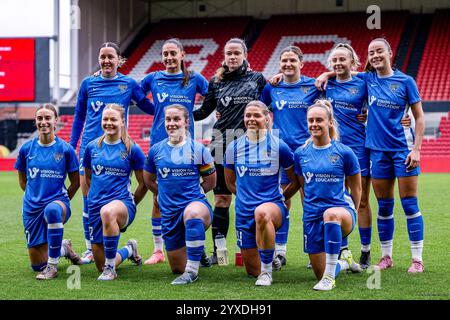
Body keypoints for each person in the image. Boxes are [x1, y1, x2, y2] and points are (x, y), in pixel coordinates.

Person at [316, 38, 425, 273]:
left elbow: (420, 116)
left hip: (403, 150)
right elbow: (342, 69)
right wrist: (326, 75)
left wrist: (416, 149)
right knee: (384, 205)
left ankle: (417, 258)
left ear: (389, 53)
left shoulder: (406, 81)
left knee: (409, 203)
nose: (375, 55)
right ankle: (386, 256)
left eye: (379, 51)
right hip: (376, 150)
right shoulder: (368, 79)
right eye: (371, 52)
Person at [70, 42, 154, 265]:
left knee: (114, 194)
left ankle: (118, 230)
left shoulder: (127, 84)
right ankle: (90, 248)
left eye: (110, 57)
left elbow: (145, 104)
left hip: (117, 148)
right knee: (88, 198)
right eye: (102, 56)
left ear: (119, 60)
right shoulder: (88, 83)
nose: (106, 61)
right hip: (90, 148)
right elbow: (79, 116)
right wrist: (72, 145)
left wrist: (166, 110)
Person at [193, 38, 266, 264]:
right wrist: (179, 113)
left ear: (245, 55)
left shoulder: (258, 79)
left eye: (236, 53)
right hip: (220, 143)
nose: (232, 57)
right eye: (228, 53)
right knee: (222, 199)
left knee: (251, 199)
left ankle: (258, 250)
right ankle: (220, 252)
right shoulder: (216, 82)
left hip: (249, 145)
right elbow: (205, 111)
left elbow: (270, 105)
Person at [140, 38, 209, 266]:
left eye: (173, 53)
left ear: (182, 55)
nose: (169, 57)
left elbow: (213, 96)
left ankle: (196, 243)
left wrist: (198, 115)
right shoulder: (153, 78)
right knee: (159, 198)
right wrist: (156, 111)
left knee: (191, 192)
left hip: (185, 144)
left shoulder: (194, 79)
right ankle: (159, 250)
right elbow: (137, 97)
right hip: (160, 143)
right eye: (165, 54)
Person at [223, 101, 299, 286]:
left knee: (262, 213)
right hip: (243, 211)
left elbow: (295, 180)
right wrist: (245, 197)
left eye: (256, 115)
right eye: (248, 115)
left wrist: (281, 198)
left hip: (272, 209)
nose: (251, 119)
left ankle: (267, 273)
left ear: (267, 118)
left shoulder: (279, 146)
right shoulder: (233, 147)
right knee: (251, 271)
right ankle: (267, 258)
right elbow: (230, 183)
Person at [260, 45, 321, 268]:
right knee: (282, 201)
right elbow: (259, 108)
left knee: (310, 202)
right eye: (284, 60)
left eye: (292, 61)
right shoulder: (272, 88)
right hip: (282, 153)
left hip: (307, 153)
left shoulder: (313, 85)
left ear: (301, 63)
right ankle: (280, 252)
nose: (287, 64)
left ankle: (313, 251)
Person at [294, 99, 363, 291]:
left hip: (340, 212)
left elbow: (357, 188)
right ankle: (344, 263)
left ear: (330, 122)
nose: (314, 124)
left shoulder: (344, 152)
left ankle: (329, 279)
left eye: (319, 120)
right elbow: (302, 187)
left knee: (331, 214)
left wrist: (353, 213)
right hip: (312, 215)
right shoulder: (300, 153)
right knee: (319, 270)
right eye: (311, 120)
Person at [143, 104, 216, 285]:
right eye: (168, 119)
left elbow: (211, 181)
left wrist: (194, 196)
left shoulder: (198, 150)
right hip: (169, 214)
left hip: (196, 207)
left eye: (176, 119)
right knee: (176, 267)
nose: (172, 123)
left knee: (192, 214)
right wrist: (163, 195)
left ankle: (192, 272)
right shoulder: (156, 151)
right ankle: (198, 251)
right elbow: (148, 180)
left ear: (186, 122)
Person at [15, 103, 83, 280]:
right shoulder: (26, 149)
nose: (43, 122)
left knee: (52, 210)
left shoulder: (66, 149)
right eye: (40, 118)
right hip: (32, 207)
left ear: (56, 121)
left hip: (57, 204)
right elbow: (23, 181)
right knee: (37, 264)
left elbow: (75, 182)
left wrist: (63, 201)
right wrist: (35, 196)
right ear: (35, 121)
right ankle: (64, 248)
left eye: (47, 118)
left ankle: (52, 267)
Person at [82, 104, 148, 280]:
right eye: (105, 119)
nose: (108, 123)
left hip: (122, 205)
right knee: (99, 264)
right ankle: (129, 249)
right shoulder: (91, 147)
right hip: (96, 206)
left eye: (113, 119)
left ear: (122, 122)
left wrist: (132, 202)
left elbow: (144, 183)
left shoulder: (132, 149)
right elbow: (88, 178)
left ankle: (111, 269)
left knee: (108, 211)